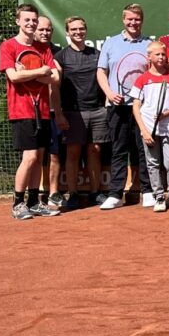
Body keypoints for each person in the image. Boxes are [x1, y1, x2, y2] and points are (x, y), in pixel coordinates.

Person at [0, 4, 61, 220]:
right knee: (30, 156)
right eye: (27, 20)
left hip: (43, 110)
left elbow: (54, 77)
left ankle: (34, 202)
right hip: (21, 110)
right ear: (18, 21)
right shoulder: (8, 46)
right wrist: (40, 72)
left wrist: (30, 73)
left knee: (39, 157)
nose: (31, 24)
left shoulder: (43, 48)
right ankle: (17, 203)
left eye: (34, 20)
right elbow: (13, 77)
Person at [97, 3, 153, 210]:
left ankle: (148, 191)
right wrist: (110, 94)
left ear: (142, 20)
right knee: (119, 150)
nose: (133, 22)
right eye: (129, 19)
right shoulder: (111, 43)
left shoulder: (149, 44)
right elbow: (101, 72)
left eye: (137, 19)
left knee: (144, 149)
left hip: (142, 108)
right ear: (123, 20)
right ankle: (115, 194)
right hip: (117, 107)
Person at [53, 16, 111, 209]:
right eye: (73, 29)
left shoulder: (97, 54)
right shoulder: (61, 57)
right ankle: (74, 194)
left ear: (85, 31)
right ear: (68, 32)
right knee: (73, 153)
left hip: (97, 110)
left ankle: (95, 193)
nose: (78, 32)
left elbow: (106, 79)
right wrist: (59, 113)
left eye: (81, 28)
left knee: (95, 151)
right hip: (73, 113)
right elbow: (55, 87)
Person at [131, 42, 169, 212]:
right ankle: (159, 197)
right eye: (157, 55)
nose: (161, 57)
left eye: (163, 54)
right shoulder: (142, 79)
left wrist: (168, 113)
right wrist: (143, 130)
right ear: (149, 57)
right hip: (148, 128)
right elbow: (136, 106)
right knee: (153, 164)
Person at [34, 16, 64, 209]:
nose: (45, 33)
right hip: (34, 112)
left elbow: (57, 81)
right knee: (35, 155)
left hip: (54, 111)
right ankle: (33, 194)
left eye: (48, 30)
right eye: (41, 29)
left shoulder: (57, 52)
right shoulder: (27, 50)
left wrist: (59, 112)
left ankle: (53, 192)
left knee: (55, 154)